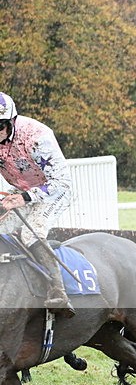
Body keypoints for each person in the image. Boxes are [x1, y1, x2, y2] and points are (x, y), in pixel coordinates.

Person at [0, 92, 75, 316]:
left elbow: (61, 182)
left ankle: (58, 291)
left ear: (12, 121)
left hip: (53, 191)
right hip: (21, 189)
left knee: (30, 234)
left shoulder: (37, 136)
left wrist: (24, 198)